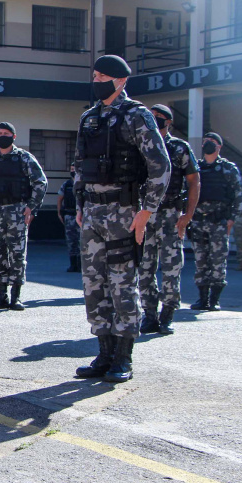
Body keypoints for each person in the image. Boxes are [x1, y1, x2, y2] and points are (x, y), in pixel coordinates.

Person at [73, 55, 170, 384]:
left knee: (122, 285)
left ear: (120, 80)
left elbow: (161, 166)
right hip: (92, 214)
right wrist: (79, 205)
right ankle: (103, 353)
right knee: (93, 286)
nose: (96, 79)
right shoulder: (89, 118)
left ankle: (123, 358)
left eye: (102, 75)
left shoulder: (136, 115)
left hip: (124, 212)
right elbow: (79, 165)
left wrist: (147, 211)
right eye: (95, 74)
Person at [138, 104, 200, 336]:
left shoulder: (179, 147)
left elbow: (194, 182)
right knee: (145, 267)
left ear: (169, 122)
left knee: (171, 267)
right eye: (151, 117)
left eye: (159, 118)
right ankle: (149, 314)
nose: (154, 120)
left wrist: (188, 215)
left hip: (171, 214)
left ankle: (168, 314)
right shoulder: (140, 146)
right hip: (146, 213)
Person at [0, 122, 47, 310]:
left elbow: (40, 182)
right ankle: (1, 295)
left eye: (6, 133)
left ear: (14, 137)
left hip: (17, 211)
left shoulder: (24, 158)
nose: (1, 136)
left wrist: (31, 206)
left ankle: (16, 296)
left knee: (17, 253)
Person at [188, 133, 242, 311]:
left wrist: (232, 219)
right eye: (205, 142)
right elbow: (186, 192)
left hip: (219, 221)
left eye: (211, 142)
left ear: (219, 146)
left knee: (218, 260)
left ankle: (214, 300)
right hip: (198, 221)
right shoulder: (195, 167)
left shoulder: (228, 168)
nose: (207, 145)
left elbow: (238, 195)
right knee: (200, 260)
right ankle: (202, 299)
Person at [57, 163, 81, 272]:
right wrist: (59, 213)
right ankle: (73, 265)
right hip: (69, 215)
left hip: (80, 216)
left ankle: (80, 265)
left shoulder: (82, 183)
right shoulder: (66, 184)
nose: (72, 171)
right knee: (71, 241)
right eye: (71, 169)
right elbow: (60, 198)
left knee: (81, 241)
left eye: (74, 169)